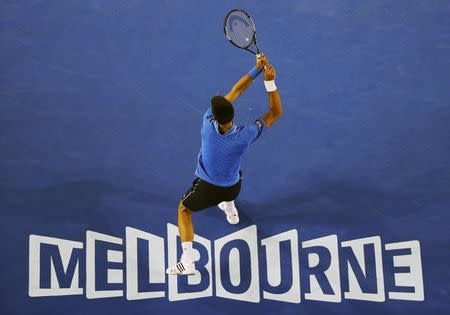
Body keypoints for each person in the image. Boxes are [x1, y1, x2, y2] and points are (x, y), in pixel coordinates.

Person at [166, 53, 282, 275]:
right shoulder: (246, 135)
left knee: (184, 209)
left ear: (216, 116)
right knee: (234, 173)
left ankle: (188, 262)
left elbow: (235, 91)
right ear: (232, 114)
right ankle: (230, 207)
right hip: (233, 186)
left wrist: (255, 70)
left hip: (208, 189)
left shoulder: (208, 122)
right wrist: (269, 81)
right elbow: (275, 112)